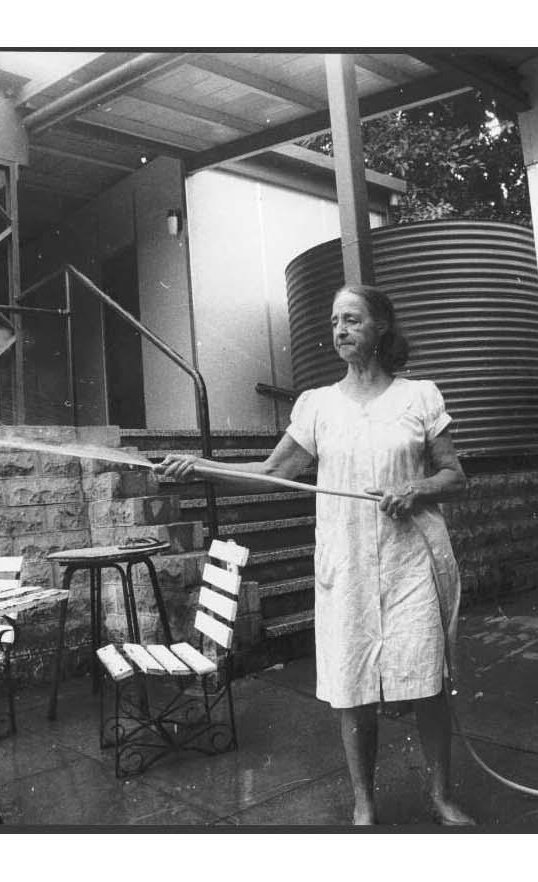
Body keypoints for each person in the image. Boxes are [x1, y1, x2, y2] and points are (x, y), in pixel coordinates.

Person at [154, 283, 475, 826]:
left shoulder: (419, 397)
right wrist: (199, 468)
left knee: (427, 682)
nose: (340, 331)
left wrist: (415, 489)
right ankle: (364, 803)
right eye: (333, 322)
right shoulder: (318, 405)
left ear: (380, 328)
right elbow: (274, 474)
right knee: (353, 687)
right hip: (346, 562)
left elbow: (455, 476)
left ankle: (442, 797)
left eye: (351, 320)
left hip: (411, 562)